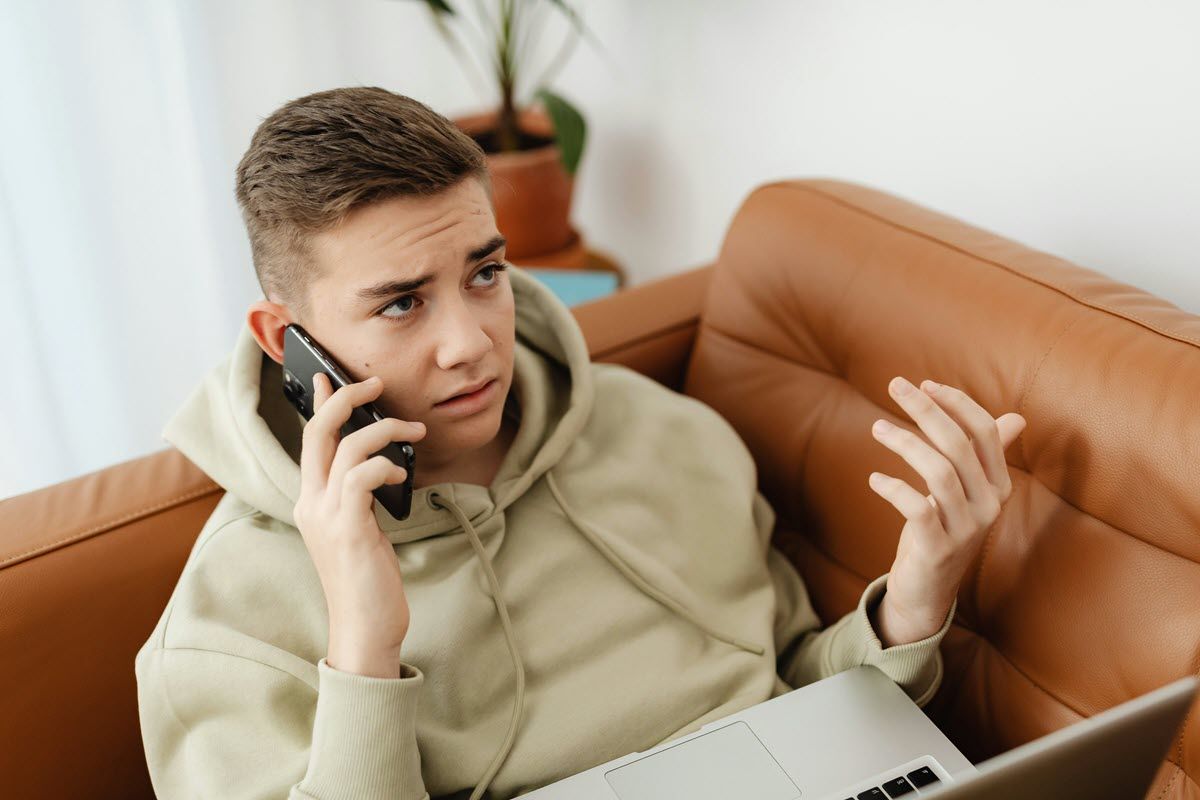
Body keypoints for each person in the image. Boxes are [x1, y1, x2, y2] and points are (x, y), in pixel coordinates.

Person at [134, 86, 1025, 800]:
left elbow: (797, 682)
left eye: (485, 273)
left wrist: (915, 596)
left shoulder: (664, 433)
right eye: (402, 302)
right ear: (279, 336)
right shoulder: (222, 629)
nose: (472, 341)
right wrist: (363, 645)